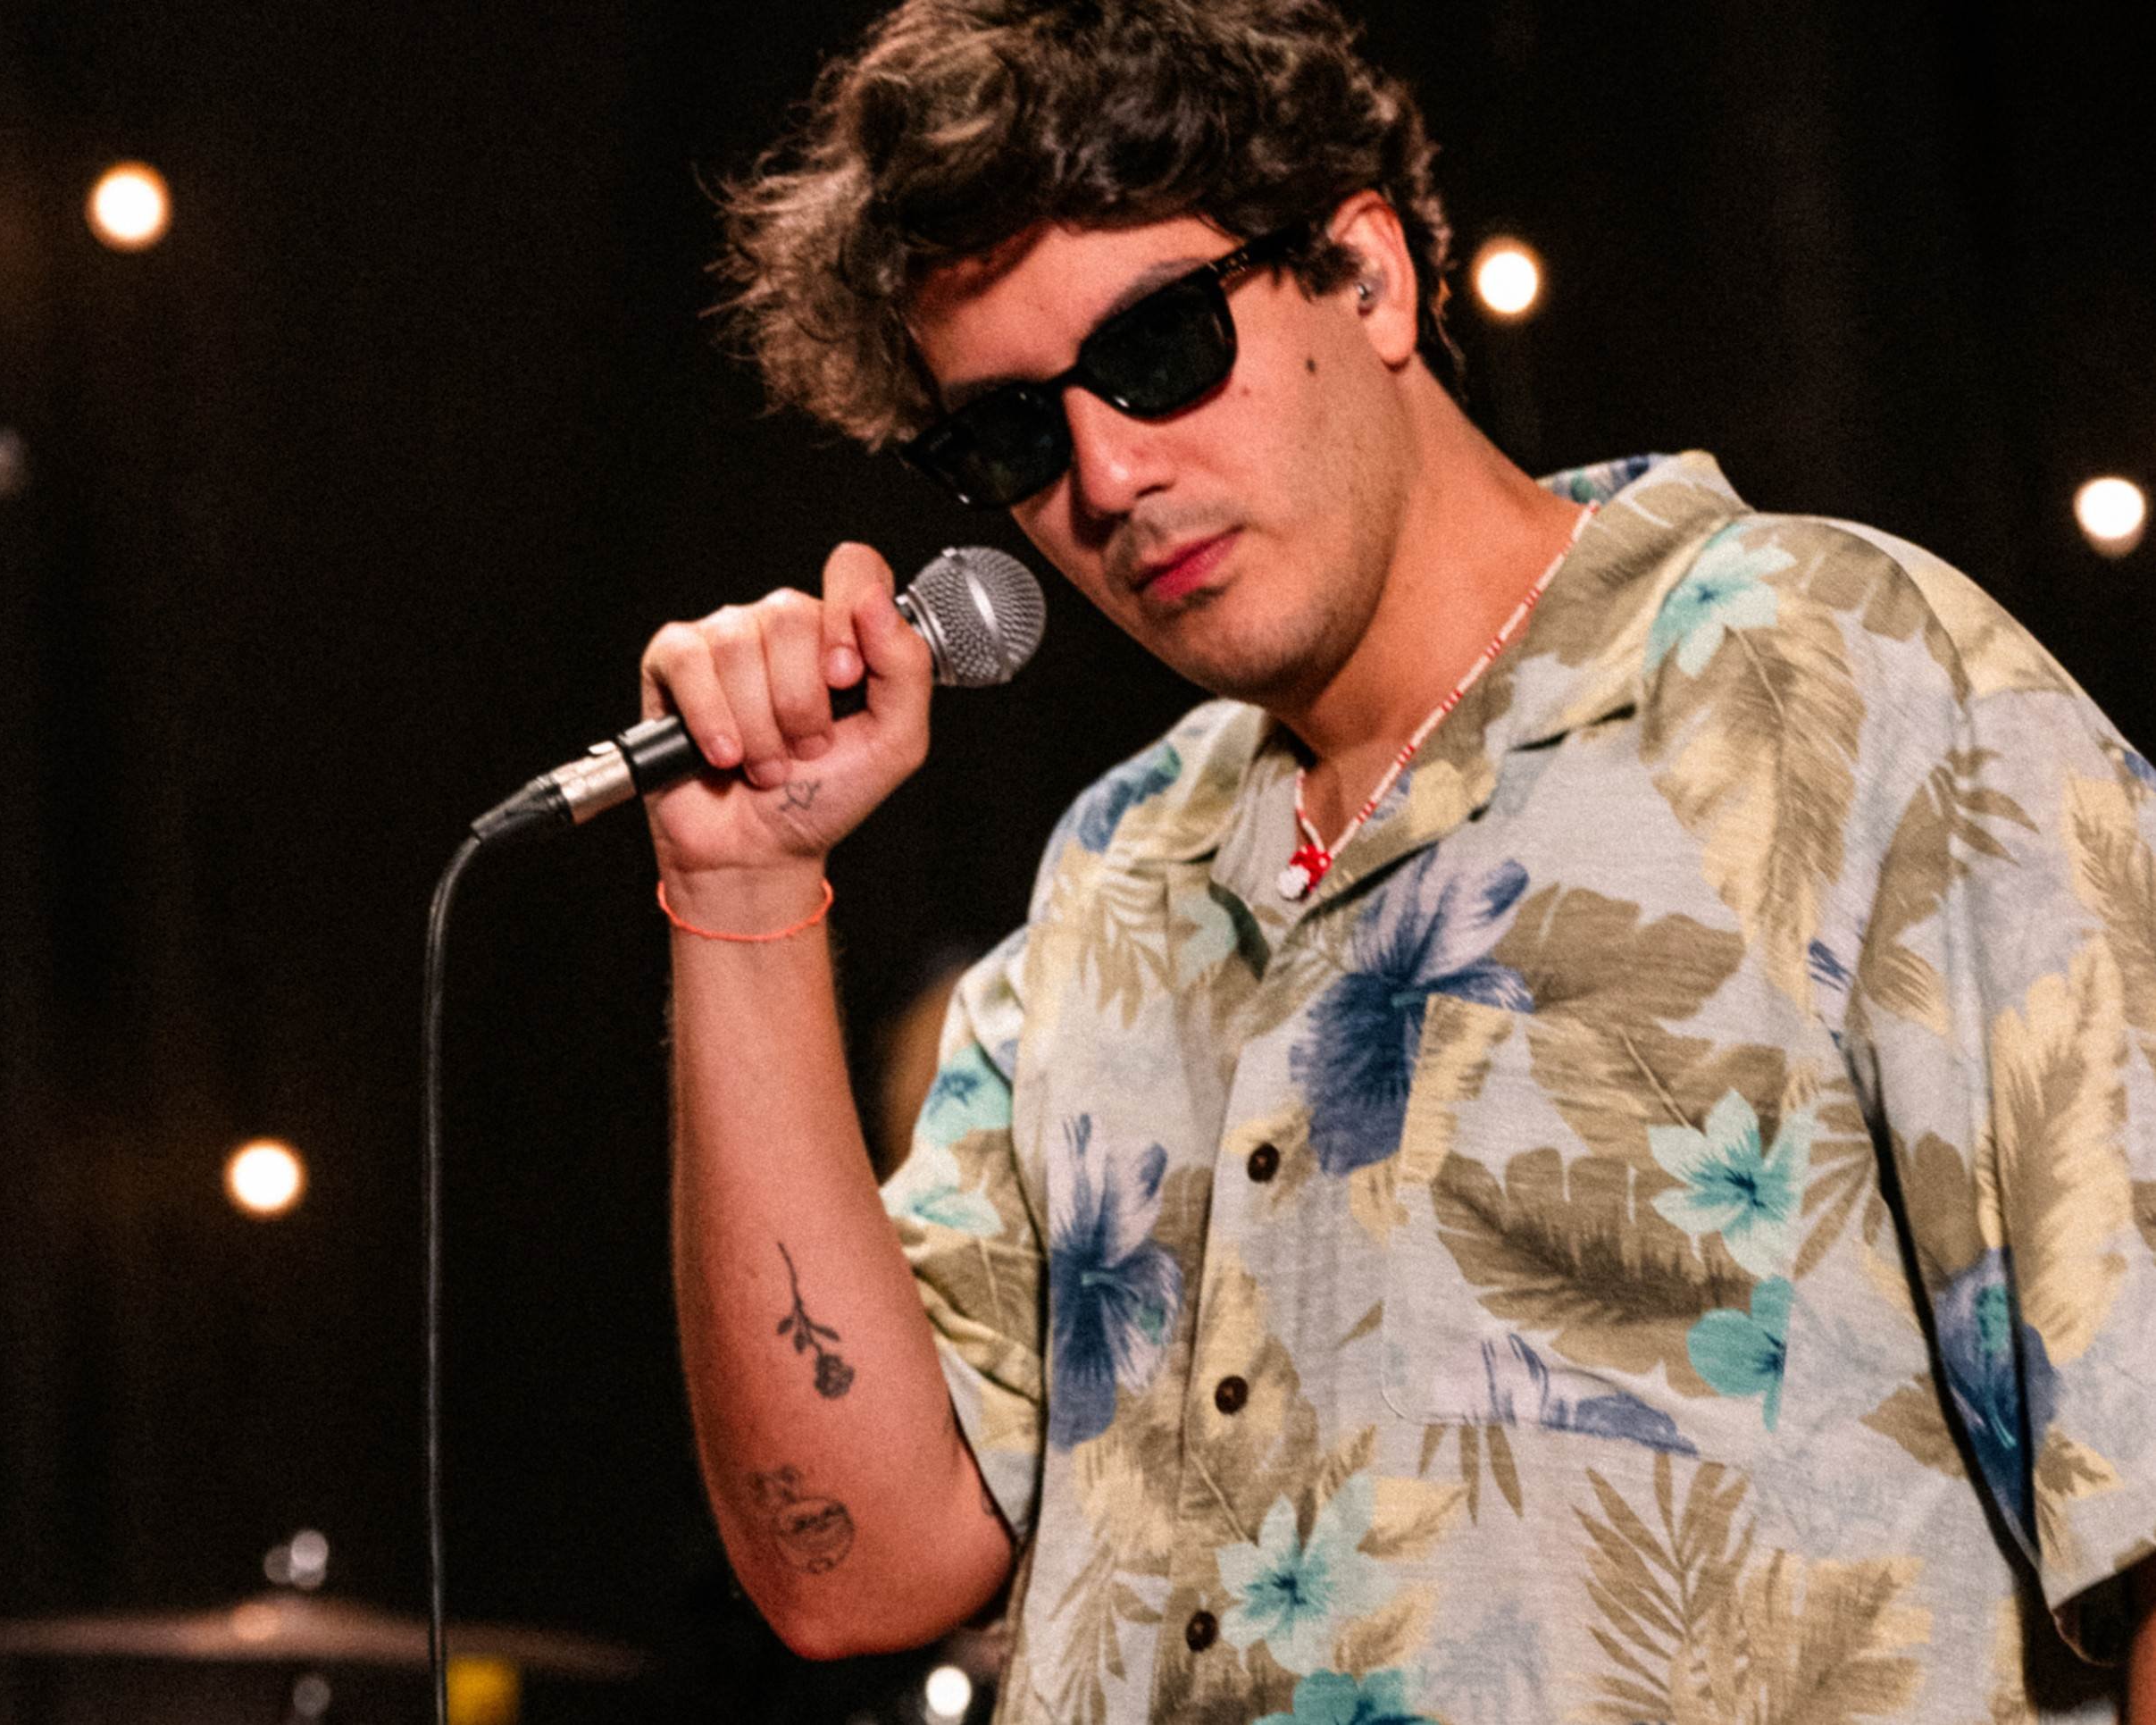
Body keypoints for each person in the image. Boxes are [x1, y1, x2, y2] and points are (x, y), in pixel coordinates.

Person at [639, 1, 2156, 1717]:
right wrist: (745, 889)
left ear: (1366, 274)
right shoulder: (1118, 874)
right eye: (1013, 438)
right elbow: (851, 1564)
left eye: (1157, 348)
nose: (1109, 474)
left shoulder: (1833, 675)